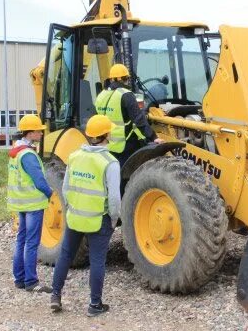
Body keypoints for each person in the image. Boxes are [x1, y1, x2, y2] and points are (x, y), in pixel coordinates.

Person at [50, 115, 121, 316]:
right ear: (106, 134)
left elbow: (65, 189)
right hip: (98, 220)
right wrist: (114, 219)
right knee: (97, 261)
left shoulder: (74, 156)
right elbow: (115, 199)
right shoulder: (110, 163)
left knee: (65, 255)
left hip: (75, 217)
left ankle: (55, 295)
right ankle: (94, 305)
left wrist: (74, 208)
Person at [8, 114, 53, 293]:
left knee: (21, 240)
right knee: (32, 243)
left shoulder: (16, 151)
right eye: (38, 131)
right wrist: (50, 194)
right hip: (33, 205)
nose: (41, 133)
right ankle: (31, 281)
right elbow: (39, 181)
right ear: (30, 133)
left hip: (21, 203)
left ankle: (19, 279)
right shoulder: (28, 155)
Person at [95, 64, 164, 169]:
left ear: (111, 79)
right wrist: (154, 137)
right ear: (125, 79)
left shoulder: (101, 96)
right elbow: (138, 119)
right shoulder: (126, 94)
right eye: (127, 78)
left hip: (107, 143)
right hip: (125, 146)